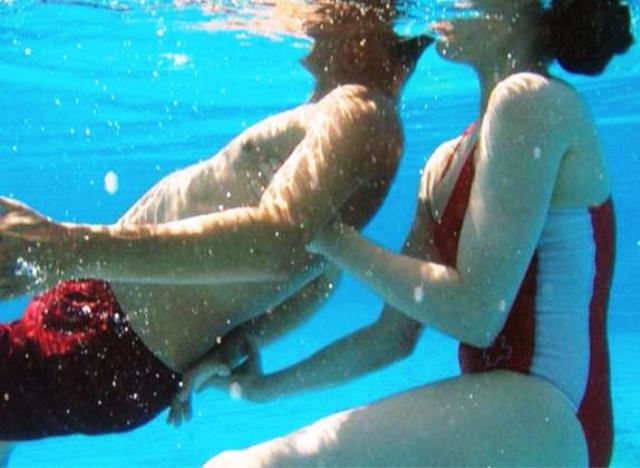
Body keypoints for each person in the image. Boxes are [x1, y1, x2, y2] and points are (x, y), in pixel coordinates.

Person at [200, 0, 633, 466]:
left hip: (550, 407)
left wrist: (327, 235)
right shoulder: (444, 164)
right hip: (521, 418)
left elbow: (476, 313)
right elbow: (392, 336)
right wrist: (263, 389)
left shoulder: (530, 100)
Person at [0, 0, 431, 449]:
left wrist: (70, 248)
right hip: (106, 318)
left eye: (322, 17)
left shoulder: (360, 113)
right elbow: (322, 274)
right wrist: (233, 347)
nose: (306, 37)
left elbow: (276, 243)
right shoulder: (351, 116)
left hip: (111, 343)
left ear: (367, 29)